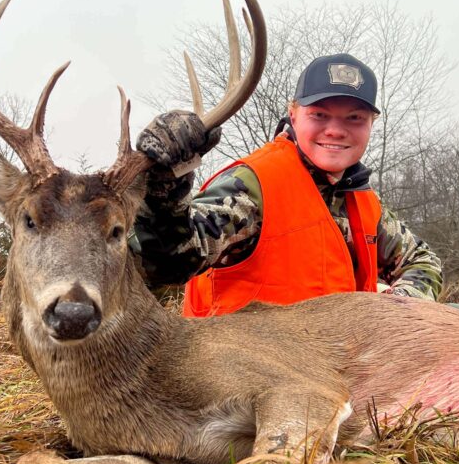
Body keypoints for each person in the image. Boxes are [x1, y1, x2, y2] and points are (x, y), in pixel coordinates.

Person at [130, 53, 442, 316]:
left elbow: (422, 260)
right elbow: (170, 261)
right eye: (319, 114)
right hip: (243, 378)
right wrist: (164, 186)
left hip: (336, 369)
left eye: (354, 118)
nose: (336, 130)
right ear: (293, 115)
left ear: (372, 124)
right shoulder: (252, 187)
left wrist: (397, 311)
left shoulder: (359, 198)